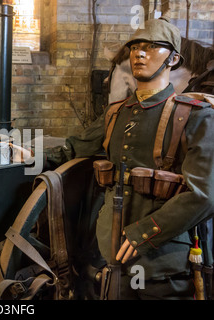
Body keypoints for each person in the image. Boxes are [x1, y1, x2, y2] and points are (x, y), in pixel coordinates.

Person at [62, 16, 214, 299]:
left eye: (152, 46)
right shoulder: (115, 113)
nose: (139, 53)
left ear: (173, 59)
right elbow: (72, 149)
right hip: (108, 254)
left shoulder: (196, 116)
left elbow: (204, 194)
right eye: (135, 47)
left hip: (162, 263)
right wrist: (23, 152)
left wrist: (143, 233)